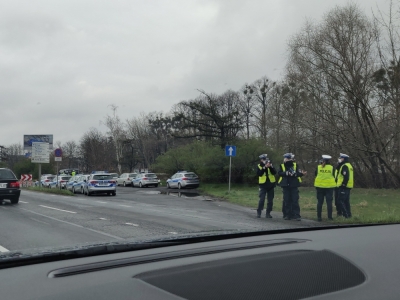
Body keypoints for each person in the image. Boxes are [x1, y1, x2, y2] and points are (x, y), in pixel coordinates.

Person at [278, 153, 306, 221]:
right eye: (286, 158)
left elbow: (299, 173)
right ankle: (287, 215)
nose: (286, 160)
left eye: (287, 158)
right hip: (285, 185)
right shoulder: (282, 165)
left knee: (295, 200)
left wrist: (299, 174)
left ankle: (296, 215)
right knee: (287, 200)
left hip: (294, 185)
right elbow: (279, 173)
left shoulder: (295, 165)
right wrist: (287, 173)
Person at [314, 155, 336, 221]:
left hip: (320, 187)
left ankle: (319, 217)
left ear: (322, 160)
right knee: (329, 202)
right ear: (329, 161)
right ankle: (330, 217)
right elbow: (335, 176)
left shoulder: (318, 167)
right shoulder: (332, 168)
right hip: (329, 187)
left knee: (320, 202)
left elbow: (315, 174)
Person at [256, 154, 277, 218]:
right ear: (261, 160)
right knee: (262, 199)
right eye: (263, 159)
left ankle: (268, 213)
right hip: (263, 185)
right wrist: (264, 167)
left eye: (265, 159)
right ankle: (259, 212)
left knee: (270, 200)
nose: (265, 161)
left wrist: (270, 167)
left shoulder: (270, 165)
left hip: (271, 184)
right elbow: (259, 174)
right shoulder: (259, 166)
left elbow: (274, 172)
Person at [335, 153, 354, 218]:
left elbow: (346, 176)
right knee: (346, 201)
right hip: (348, 186)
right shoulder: (349, 165)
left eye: (341, 158)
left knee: (340, 200)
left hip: (344, 186)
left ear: (344, 159)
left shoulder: (345, 166)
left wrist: (343, 184)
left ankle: (346, 215)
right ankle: (349, 215)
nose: (339, 159)